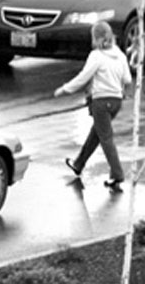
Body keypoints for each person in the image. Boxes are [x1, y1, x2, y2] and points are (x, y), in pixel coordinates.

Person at [57, 21, 132, 191]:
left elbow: (83, 77)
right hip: (116, 102)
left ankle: (118, 174)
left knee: (106, 138)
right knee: (97, 134)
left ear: (96, 38)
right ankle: (78, 164)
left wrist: (65, 89)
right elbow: (127, 79)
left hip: (101, 103)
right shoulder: (120, 55)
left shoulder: (96, 56)